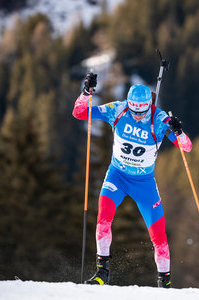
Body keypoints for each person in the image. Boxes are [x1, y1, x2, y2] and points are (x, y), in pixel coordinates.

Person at [72, 73, 192, 288]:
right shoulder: (118, 109)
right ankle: (102, 273)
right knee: (103, 220)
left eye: (142, 112)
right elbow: (80, 113)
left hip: (144, 184)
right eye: (134, 110)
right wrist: (85, 92)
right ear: (129, 104)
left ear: (148, 106)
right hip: (117, 176)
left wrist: (179, 131)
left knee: (159, 237)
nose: (137, 116)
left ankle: (164, 283)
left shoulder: (159, 119)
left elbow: (186, 147)